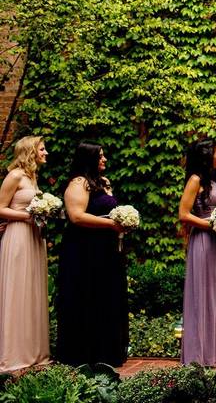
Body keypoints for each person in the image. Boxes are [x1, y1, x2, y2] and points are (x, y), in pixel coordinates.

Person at [56, 141, 128, 367]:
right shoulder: (79, 183)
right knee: (87, 295)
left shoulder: (102, 182)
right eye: (100, 156)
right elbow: (76, 216)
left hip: (105, 250)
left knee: (106, 296)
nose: (104, 160)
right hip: (84, 251)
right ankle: (83, 353)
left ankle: (106, 351)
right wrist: (111, 224)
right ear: (88, 159)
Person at [0, 136, 51, 372]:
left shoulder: (33, 178)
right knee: (17, 289)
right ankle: (13, 352)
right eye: (42, 149)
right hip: (18, 236)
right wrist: (29, 216)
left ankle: (34, 350)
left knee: (32, 290)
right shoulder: (15, 176)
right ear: (30, 152)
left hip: (34, 238)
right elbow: (0, 208)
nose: (46, 152)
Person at [179, 138, 216, 366]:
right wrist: (212, 225)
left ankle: (214, 352)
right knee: (202, 295)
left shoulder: (213, 181)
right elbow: (184, 214)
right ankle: (198, 355)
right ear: (207, 155)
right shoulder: (195, 180)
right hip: (203, 242)